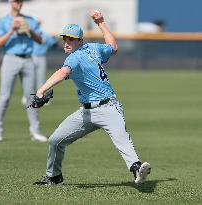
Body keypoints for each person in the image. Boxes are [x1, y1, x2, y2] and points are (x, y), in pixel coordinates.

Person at [33, 10, 151, 185]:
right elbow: (113, 47)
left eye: (70, 39)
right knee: (55, 141)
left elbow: (63, 72)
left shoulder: (75, 57)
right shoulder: (94, 48)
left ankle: (137, 169)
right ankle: (54, 177)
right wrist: (101, 22)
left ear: (80, 41)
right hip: (86, 112)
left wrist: (40, 90)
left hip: (109, 107)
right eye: (64, 38)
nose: (66, 42)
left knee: (122, 140)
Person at [0, 0, 47, 143]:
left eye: (21, 1)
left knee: (31, 97)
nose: (19, 3)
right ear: (10, 2)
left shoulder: (29, 20)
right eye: (16, 1)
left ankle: (35, 131)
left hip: (28, 59)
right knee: (4, 96)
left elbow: (40, 40)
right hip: (10, 58)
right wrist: (11, 30)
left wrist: (30, 30)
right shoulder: (3, 21)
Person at [21, 25, 58, 106]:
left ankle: (42, 98)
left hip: (41, 57)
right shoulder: (30, 34)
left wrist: (54, 39)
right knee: (30, 79)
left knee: (41, 79)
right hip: (31, 57)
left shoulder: (45, 35)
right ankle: (26, 97)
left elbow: (54, 44)